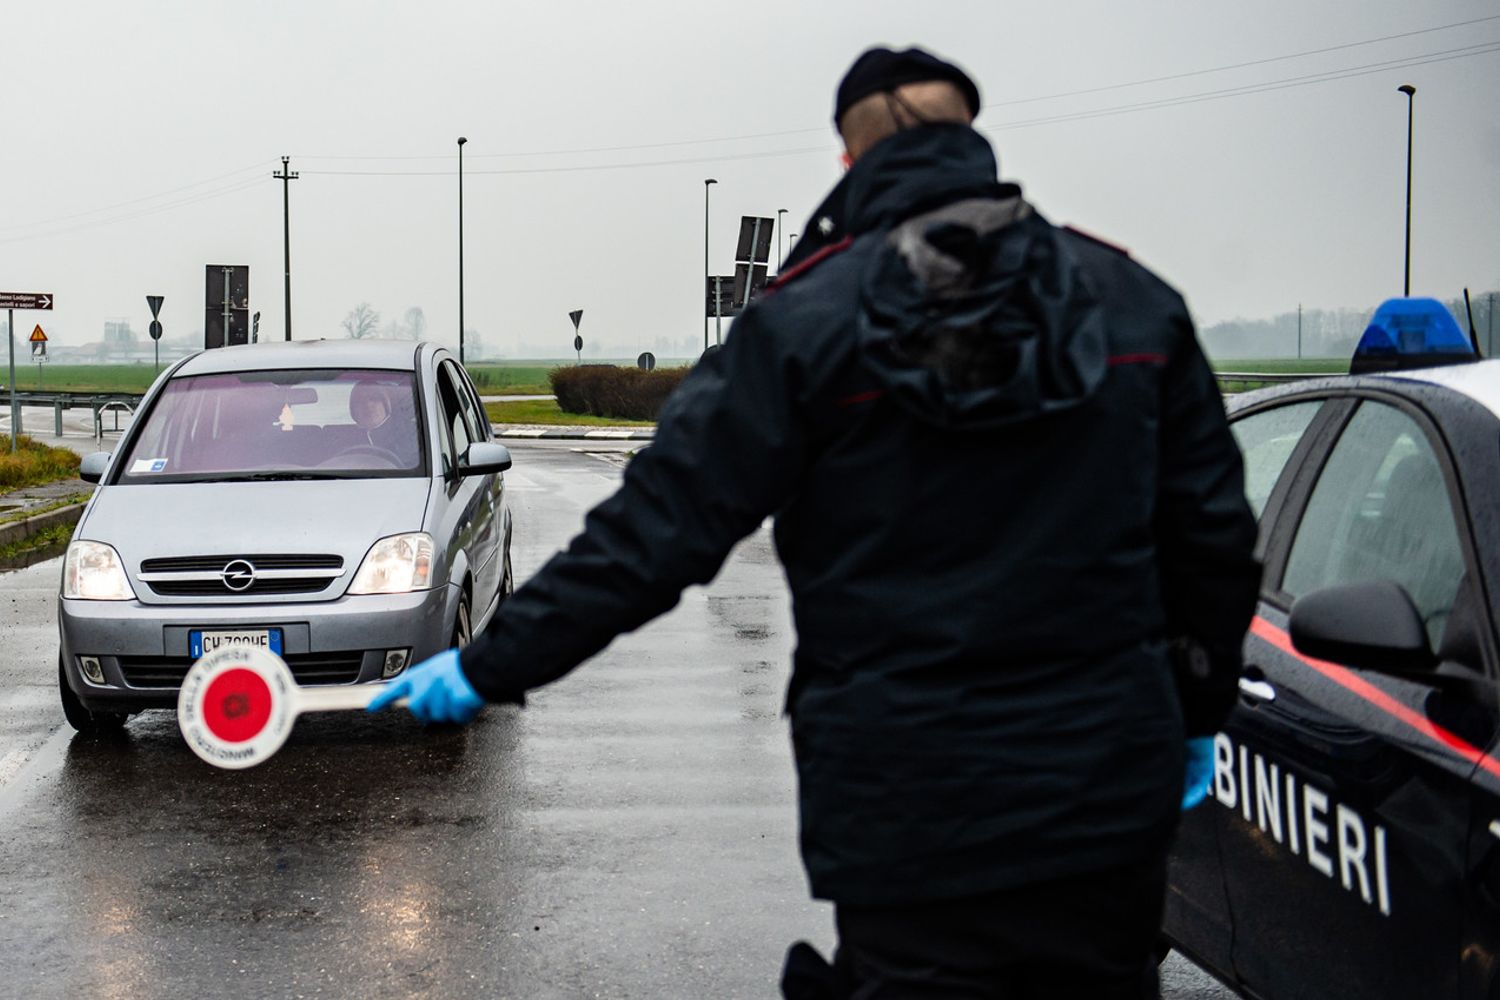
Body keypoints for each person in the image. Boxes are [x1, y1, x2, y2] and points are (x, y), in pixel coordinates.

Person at [371, 46, 1260, 999]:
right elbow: (1212, 542)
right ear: (971, 142)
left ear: (850, 161)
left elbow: (652, 535)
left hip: (903, 797)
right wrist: (1194, 716)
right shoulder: (1132, 303)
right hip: (1106, 787)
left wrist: (486, 666)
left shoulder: (804, 324)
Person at [348, 380, 416, 466]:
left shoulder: (410, 433)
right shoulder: (345, 440)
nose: (368, 405)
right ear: (353, 411)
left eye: (374, 398)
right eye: (360, 401)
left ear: (385, 405)